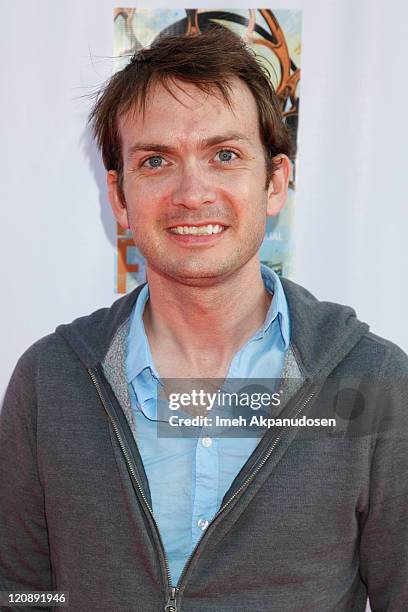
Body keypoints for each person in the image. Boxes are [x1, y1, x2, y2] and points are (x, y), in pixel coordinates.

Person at [0, 27, 407, 612]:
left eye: (224, 155)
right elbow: (23, 593)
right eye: (157, 160)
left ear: (274, 183)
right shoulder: (49, 381)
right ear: (118, 196)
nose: (192, 193)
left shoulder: (373, 382)